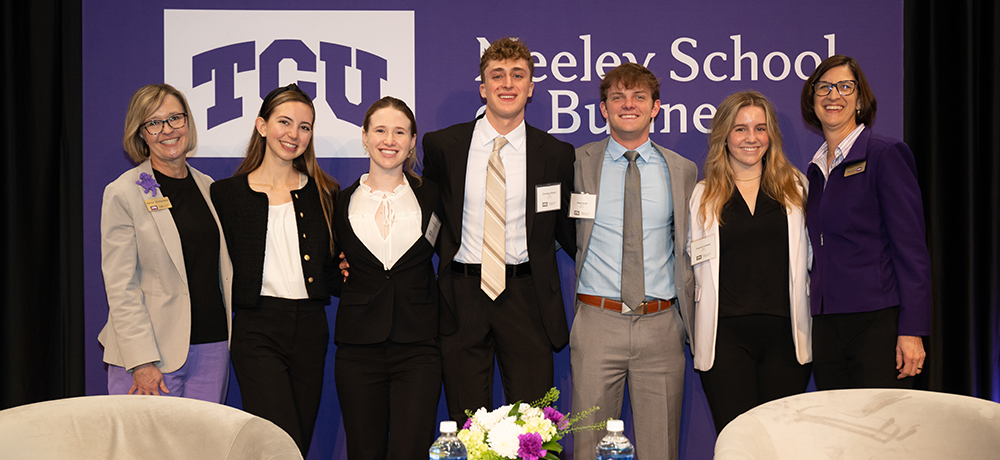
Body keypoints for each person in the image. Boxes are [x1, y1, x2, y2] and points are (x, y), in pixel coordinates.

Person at [421, 37, 576, 425]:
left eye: (518, 75)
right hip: (462, 295)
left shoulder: (555, 154)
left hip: (528, 297)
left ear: (531, 87)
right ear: (483, 87)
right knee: (467, 420)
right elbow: (426, 219)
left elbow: (568, 231)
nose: (508, 84)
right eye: (497, 75)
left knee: (532, 426)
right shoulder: (443, 146)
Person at [570, 62, 696, 460]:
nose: (628, 104)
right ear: (603, 109)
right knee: (589, 448)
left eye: (639, 96)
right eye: (617, 97)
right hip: (596, 324)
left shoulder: (683, 171)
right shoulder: (575, 164)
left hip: (661, 327)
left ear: (655, 107)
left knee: (661, 450)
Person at [210, 83, 339, 456]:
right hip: (257, 329)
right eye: (284, 122)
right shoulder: (227, 194)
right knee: (277, 440)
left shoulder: (325, 192)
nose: (294, 134)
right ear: (262, 126)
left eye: (305, 126)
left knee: (297, 441)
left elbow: (333, 268)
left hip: (312, 327)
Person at [800, 55, 930, 389]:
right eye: (824, 87)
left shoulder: (885, 154)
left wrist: (912, 329)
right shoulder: (813, 171)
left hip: (877, 323)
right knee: (839, 435)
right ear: (812, 99)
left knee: (880, 434)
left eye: (845, 87)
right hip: (826, 325)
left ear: (860, 99)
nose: (834, 96)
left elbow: (911, 250)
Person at [99, 84, 233, 403]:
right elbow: (121, 285)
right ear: (141, 133)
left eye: (175, 118)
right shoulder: (124, 192)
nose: (167, 130)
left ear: (188, 123)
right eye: (154, 122)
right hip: (150, 354)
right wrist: (142, 360)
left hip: (212, 348)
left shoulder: (208, 187)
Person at [688, 90, 812, 433]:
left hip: (786, 338)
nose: (751, 138)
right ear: (724, 135)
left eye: (760, 128)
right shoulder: (703, 194)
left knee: (780, 445)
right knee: (737, 443)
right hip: (725, 338)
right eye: (740, 128)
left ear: (771, 134)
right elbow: (689, 267)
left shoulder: (797, 187)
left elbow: (815, 259)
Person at [333, 96, 443, 460]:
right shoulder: (337, 201)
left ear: (413, 141)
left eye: (400, 132)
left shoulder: (433, 197)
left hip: (419, 348)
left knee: (411, 451)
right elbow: (322, 264)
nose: (389, 140)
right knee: (364, 451)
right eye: (380, 130)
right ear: (364, 137)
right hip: (358, 349)